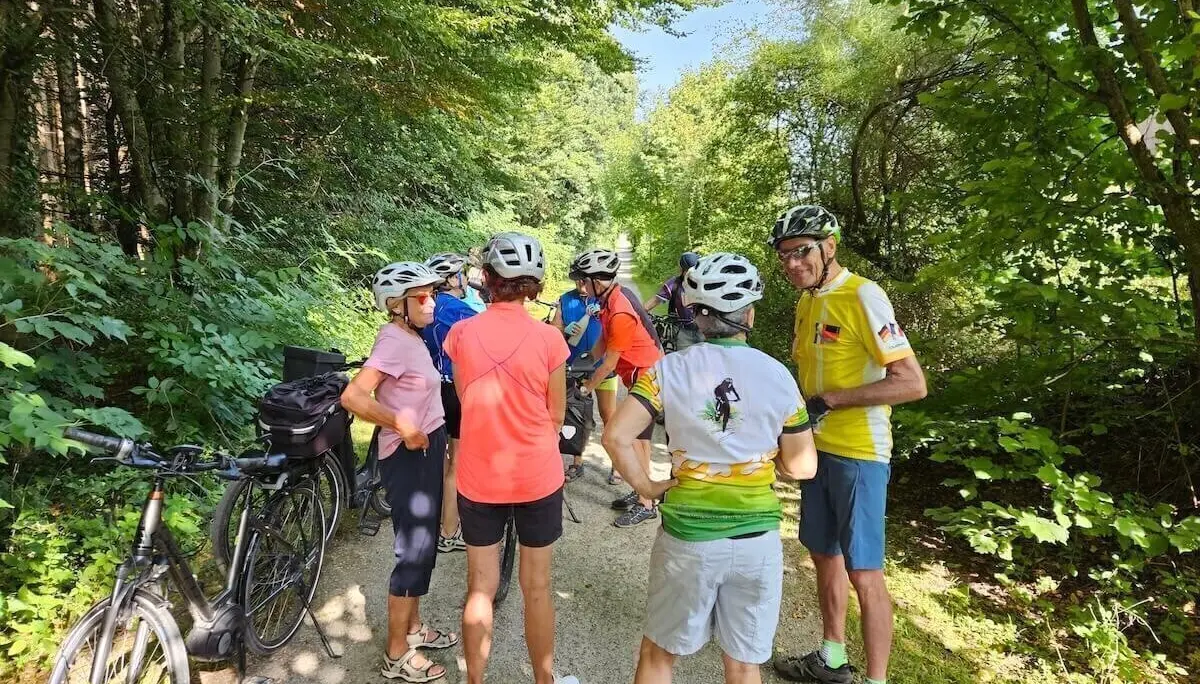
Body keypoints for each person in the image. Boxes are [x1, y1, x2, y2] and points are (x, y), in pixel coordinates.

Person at [602, 252, 819, 684]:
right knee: (742, 664)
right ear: (749, 314)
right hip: (756, 541)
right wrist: (761, 457)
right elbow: (803, 467)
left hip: (689, 540)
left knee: (658, 654)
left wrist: (648, 485)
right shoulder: (778, 376)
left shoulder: (667, 370)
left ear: (696, 317)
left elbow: (615, 436)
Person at [768, 205, 927, 684]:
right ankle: (832, 657)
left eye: (802, 252)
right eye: (784, 257)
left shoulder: (864, 296)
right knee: (823, 554)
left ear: (829, 246)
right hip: (817, 451)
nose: (793, 264)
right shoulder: (806, 301)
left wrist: (831, 400)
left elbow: (911, 383)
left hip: (860, 452)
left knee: (865, 572)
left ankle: (876, 680)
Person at [443, 232, 580, 684]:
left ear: (487, 279)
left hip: (480, 476)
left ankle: (475, 681)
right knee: (537, 588)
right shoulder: (550, 340)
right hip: (537, 476)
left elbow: (465, 395)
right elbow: (555, 413)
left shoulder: (462, 333)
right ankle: (544, 680)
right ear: (535, 286)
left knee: (479, 588)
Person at [340, 261, 460, 682]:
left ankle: (412, 629)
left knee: (423, 547)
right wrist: (402, 425)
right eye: (422, 296)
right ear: (396, 304)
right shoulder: (393, 339)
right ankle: (395, 655)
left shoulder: (411, 336)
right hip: (407, 457)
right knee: (413, 549)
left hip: (426, 451)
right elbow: (354, 396)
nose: (432, 302)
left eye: (432, 294)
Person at [572, 248, 665, 528]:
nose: (580, 285)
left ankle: (646, 503)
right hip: (642, 375)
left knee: (631, 439)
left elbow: (610, 361)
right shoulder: (610, 299)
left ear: (597, 282)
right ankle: (643, 492)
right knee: (640, 441)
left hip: (648, 378)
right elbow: (604, 341)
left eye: (583, 281)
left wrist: (588, 386)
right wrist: (586, 360)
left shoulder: (621, 310)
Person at [423, 252, 482, 553]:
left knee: (442, 459)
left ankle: (438, 522)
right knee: (457, 463)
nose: (464, 278)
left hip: (431, 392)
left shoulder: (425, 308)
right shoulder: (461, 311)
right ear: (451, 279)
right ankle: (449, 532)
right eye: (460, 273)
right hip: (456, 392)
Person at [550, 276, 616, 483]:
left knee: (609, 416)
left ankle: (617, 464)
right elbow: (553, 329)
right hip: (575, 367)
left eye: (585, 281)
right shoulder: (565, 299)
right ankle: (577, 462)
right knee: (577, 416)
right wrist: (562, 330)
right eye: (577, 280)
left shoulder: (604, 299)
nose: (581, 285)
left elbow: (619, 328)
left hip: (603, 368)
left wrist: (603, 314)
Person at [644, 251, 703, 350]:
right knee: (684, 359)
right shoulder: (674, 284)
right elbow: (655, 300)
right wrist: (640, 312)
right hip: (683, 331)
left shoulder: (704, 283)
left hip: (703, 331)